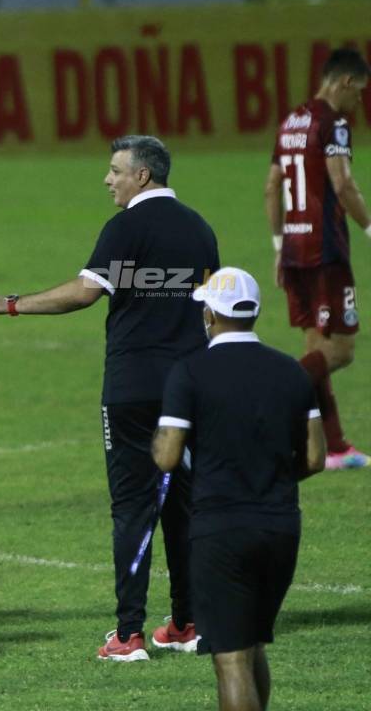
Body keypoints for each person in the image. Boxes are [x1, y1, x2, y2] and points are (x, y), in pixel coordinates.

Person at [0, 135, 219, 661]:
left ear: (142, 176)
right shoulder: (200, 229)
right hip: (189, 389)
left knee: (133, 509)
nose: (107, 179)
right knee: (184, 507)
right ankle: (189, 624)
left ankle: (129, 636)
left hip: (132, 391)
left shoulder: (125, 228)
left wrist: (12, 305)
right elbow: (209, 308)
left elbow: (85, 291)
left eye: (115, 170)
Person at [153, 267, 326, 711]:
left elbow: (168, 457)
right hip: (281, 527)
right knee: (251, 645)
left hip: (221, 530)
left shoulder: (190, 371)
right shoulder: (291, 372)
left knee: (230, 659)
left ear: (210, 315)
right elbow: (314, 458)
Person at [264, 48, 371, 470]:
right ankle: (270, 389)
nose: (360, 101)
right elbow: (342, 184)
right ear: (344, 82)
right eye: (360, 92)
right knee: (341, 350)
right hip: (326, 250)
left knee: (316, 349)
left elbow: (272, 186)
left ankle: (336, 448)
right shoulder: (333, 123)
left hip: (293, 249)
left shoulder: (291, 120)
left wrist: (277, 247)